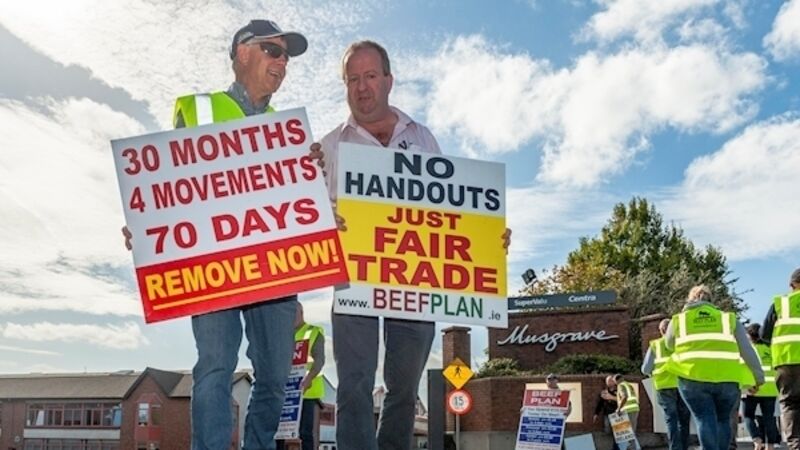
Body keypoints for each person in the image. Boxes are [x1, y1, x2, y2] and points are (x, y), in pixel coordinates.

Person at [308, 40, 510, 450]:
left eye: (370, 76)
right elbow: (308, 219)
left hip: (415, 283)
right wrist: (325, 219)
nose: (361, 87)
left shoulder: (422, 137)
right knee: (354, 385)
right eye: (352, 79)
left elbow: (453, 206)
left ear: (389, 80)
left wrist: (487, 235)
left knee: (403, 388)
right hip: (354, 282)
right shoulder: (329, 147)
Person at [122, 19, 307, 450]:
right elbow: (167, 184)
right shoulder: (198, 109)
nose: (282, 62)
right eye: (274, 51)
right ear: (243, 51)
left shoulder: (290, 131)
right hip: (214, 266)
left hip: (274, 270)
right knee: (215, 366)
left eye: (286, 56)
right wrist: (147, 224)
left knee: (275, 376)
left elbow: (298, 205)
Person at [664, 284, 765, 450]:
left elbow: (668, 345)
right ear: (711, 301)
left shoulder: (678, 320)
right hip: (727, 379)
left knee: (704, 418)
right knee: (723, 419)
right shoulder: (728, 319)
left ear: (690, 300)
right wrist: (758, 377)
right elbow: (746, 350)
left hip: (692, 378)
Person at [761, 267, 800, 450]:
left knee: (789, 403)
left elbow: (764, 334)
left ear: (792, 284)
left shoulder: (780, 303)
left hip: (785, 362)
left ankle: (795, 445)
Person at [277, 303, 326, 450]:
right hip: (285, 392)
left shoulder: (313, 332)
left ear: (301, 313)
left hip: (307, 392)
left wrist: (309, 378)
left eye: (294, 313)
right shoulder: (282, 336)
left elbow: (319, 360)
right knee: (279, 433)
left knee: (306, 433)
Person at [642, 318, 691, 450]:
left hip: (663, 387)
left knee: (671, 419)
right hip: (683, 385)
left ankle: (675, 448)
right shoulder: (683, 344)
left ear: (661, 330)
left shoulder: (656, 345)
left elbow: (645, 369)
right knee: (684, 419)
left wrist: (652, 373)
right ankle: (685, 447)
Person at [742, 323, 780, 450]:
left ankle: (757, 440)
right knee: (769, 418)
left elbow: (744, 368)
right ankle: (770, 445)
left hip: (753, 388)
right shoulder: (771, 349)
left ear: (750, 336)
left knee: (748, 415)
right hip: (770, 389)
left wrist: (745, 386)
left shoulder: (749, 350)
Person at [593, 375, 619, 450]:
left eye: (610, 381)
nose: (609, 383)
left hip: (617, 414)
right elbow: (600, 404)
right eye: (607, 381)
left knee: (617, 432)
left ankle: (616, 447)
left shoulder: (618, 390)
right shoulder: (604, 392)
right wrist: (596, 414)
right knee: (608, 430)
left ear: (614, 381)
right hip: (607, 414)